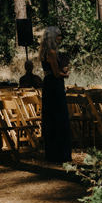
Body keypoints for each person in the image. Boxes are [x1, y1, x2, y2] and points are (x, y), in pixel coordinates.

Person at [39, 25, 72, 163]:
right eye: (58, 35)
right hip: (54, 86)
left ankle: (54, 152)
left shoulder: (46, 51)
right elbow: (57, 74)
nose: (60, 37)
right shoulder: (52, 52)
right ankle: (61, 154)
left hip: (49, 84)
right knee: (60, 117)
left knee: (52, 118)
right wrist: (66, 73)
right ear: (52, 37)